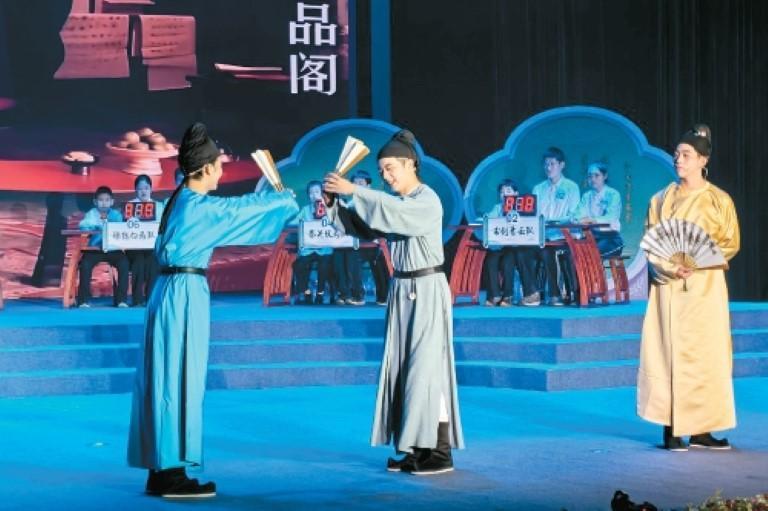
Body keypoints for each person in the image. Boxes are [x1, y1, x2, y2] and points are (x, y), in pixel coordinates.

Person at [127, 123, 299, 497]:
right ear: (205, 168)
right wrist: (283, 200)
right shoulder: (196, 206)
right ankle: (172, 473)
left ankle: (163, 467)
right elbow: (237, 211)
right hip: (183, 294)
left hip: (172, 291)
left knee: (167, 377)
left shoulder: (182, 200)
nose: (222, 172)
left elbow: (232, 212)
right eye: (219, 165)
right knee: (179, 377)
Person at [323, 129, 464, 475]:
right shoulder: (396, 203)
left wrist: (355, 190)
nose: (386, 176)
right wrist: (334, 205)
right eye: (382, 170)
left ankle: (439, 451)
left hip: (427, 288)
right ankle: (415, 447)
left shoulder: (426, 200)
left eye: (390, 168)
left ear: (411, 164)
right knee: (403, 371)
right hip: (402, 290)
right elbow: (368, 226)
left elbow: (395, 213)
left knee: (426, 370)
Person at [637, 124, 740, 451]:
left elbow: (730, 242)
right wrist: (670, 267)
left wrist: (700, 261)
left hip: (705, 286)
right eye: (677, 154)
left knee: (707, 354)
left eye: (686, 155)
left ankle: (701, 428)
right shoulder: (660, 200)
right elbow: (652, 243)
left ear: (702, 160)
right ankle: (671, 428)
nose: (678, 160)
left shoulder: (719, 200)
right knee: (669, 352)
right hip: (670, 286)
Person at [332, 170, 390, 306]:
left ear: (368, 185)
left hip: (377, 243)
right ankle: (355, 295)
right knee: (347, 256)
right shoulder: (350, 204)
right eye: (355, 183)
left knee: (380, 263)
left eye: (361, 183)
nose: (357, 185)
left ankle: (383, 297)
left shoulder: (377, 201)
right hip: (358, 244)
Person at [531, 147, 580, 305]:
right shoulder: (538, 188)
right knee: (533, 251)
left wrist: (554, 222)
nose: (548, 168)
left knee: (552, 251)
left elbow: (573, 215)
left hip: (566, 236)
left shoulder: (571, 187)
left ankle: (571, 293)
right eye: (546, 164)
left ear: (561, 165)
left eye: (552, 164)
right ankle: (545, 294)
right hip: (545, 237)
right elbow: (534, 215)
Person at [482, 179, 540, 307]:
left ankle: (508, 296)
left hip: (520, 247)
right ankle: (495, 295)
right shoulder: (497, 208)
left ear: (516, 194)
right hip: (502, 246)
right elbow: (489, 221)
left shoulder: (524, 207)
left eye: (508, 191)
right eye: (501, 192)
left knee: (509, 259)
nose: (504, 194)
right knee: (491, 258)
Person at [77, 185, 130, 308]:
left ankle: (121, 300)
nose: (104, 203)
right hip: (95, 249)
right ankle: (83, 301)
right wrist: (97, 224)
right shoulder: (91, 214)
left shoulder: (116, 214)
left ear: (112, 201)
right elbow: (83, 225)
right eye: (101, 200)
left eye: (107, 200)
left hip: (113, 250)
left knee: (124, 263)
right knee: (85, 265)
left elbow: (120, 227)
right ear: (95, 202)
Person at [292, 180, 334, 305]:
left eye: (317, 192)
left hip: (325, 249)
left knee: (325, 264)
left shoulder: (330, 208)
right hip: (308, 249)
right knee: (298, 265)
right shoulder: (305, 210)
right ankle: (307, 293)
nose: (314, 195)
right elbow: (294, 223)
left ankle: (320, 293)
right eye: (311, 193)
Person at [125, 175, 164, 306]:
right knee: (138, 262)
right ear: (135, 190)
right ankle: (137, 300)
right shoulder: (130, 206)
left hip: (152, 247)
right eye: (140, 188)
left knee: (152, 262)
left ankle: (150, 299)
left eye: (146, 188)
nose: (143, 191)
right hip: (134, 248)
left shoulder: (159, 207)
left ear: (151, 189)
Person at [573, 162, 624, 258]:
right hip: (591, 237)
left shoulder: (613, 194)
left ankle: (594, 269)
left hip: (611, 238)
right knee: (573, 252)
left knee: (591, 253)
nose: (593, 179)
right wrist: (579, 219)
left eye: (596, 175)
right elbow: (578, 215)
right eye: (590, 176)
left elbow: (611, 217)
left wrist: (591, 220)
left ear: (605, 176)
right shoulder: (586, 196)